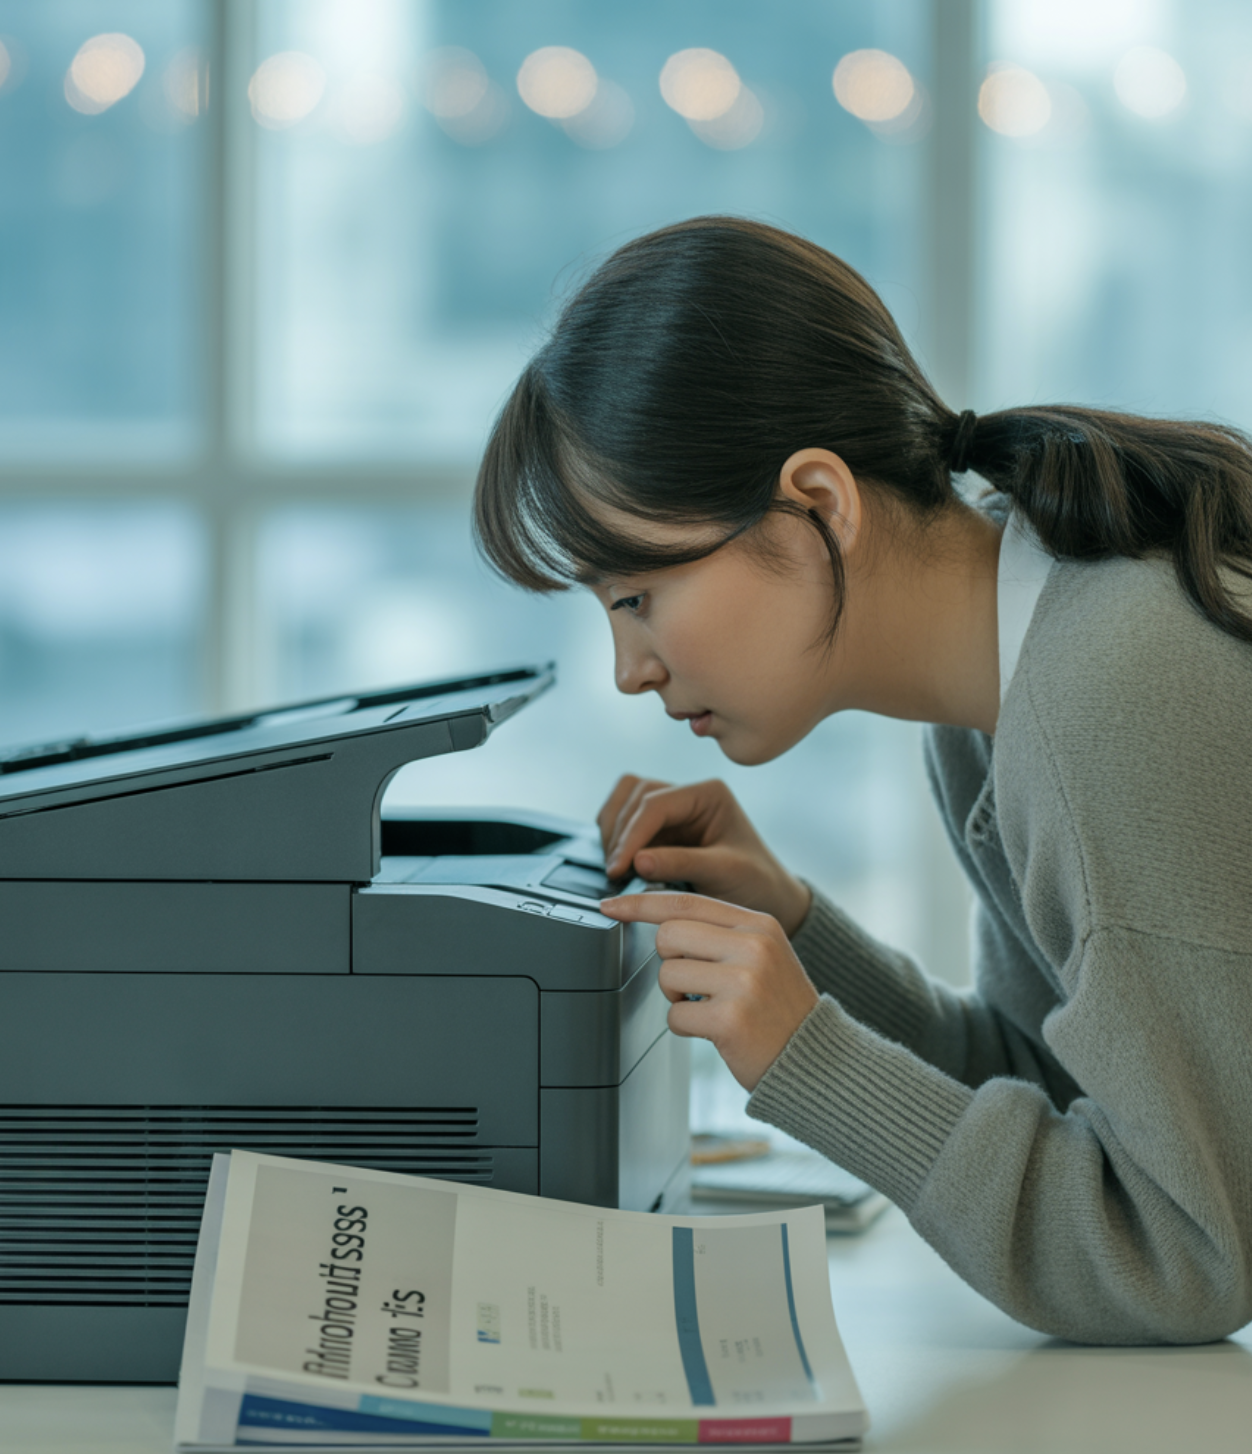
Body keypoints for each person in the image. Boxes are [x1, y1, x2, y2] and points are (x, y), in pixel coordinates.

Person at [472, 216, 1252, 1346]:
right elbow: (1069, 1081)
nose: (629, 668)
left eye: (636, 594)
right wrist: (794, 927)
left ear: (818, 505)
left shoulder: (1110, 683)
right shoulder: (1001, 680)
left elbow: (1182, 1254)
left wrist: (803, 1051)